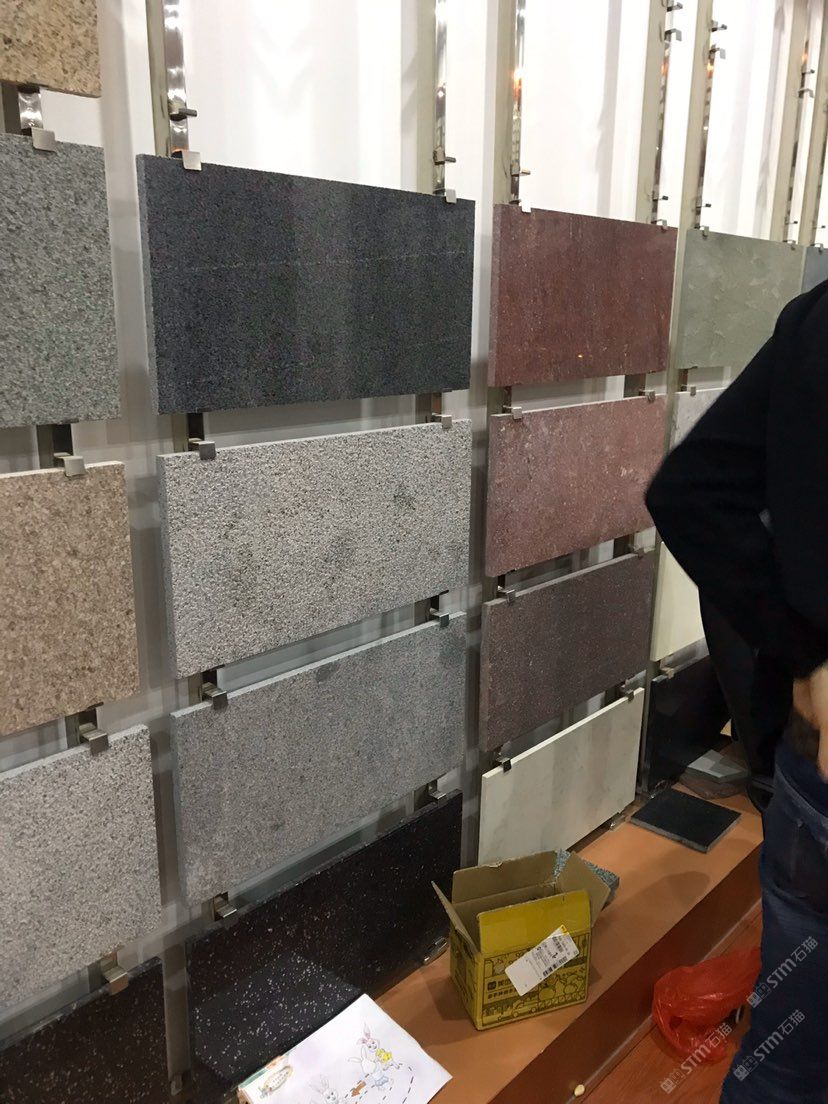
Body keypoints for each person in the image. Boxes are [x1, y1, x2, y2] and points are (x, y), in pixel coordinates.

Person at [645, 281, 828, 1104]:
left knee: (786, 1059)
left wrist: (809, 660)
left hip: (812, 760)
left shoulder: (818, 317)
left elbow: (690, 492)